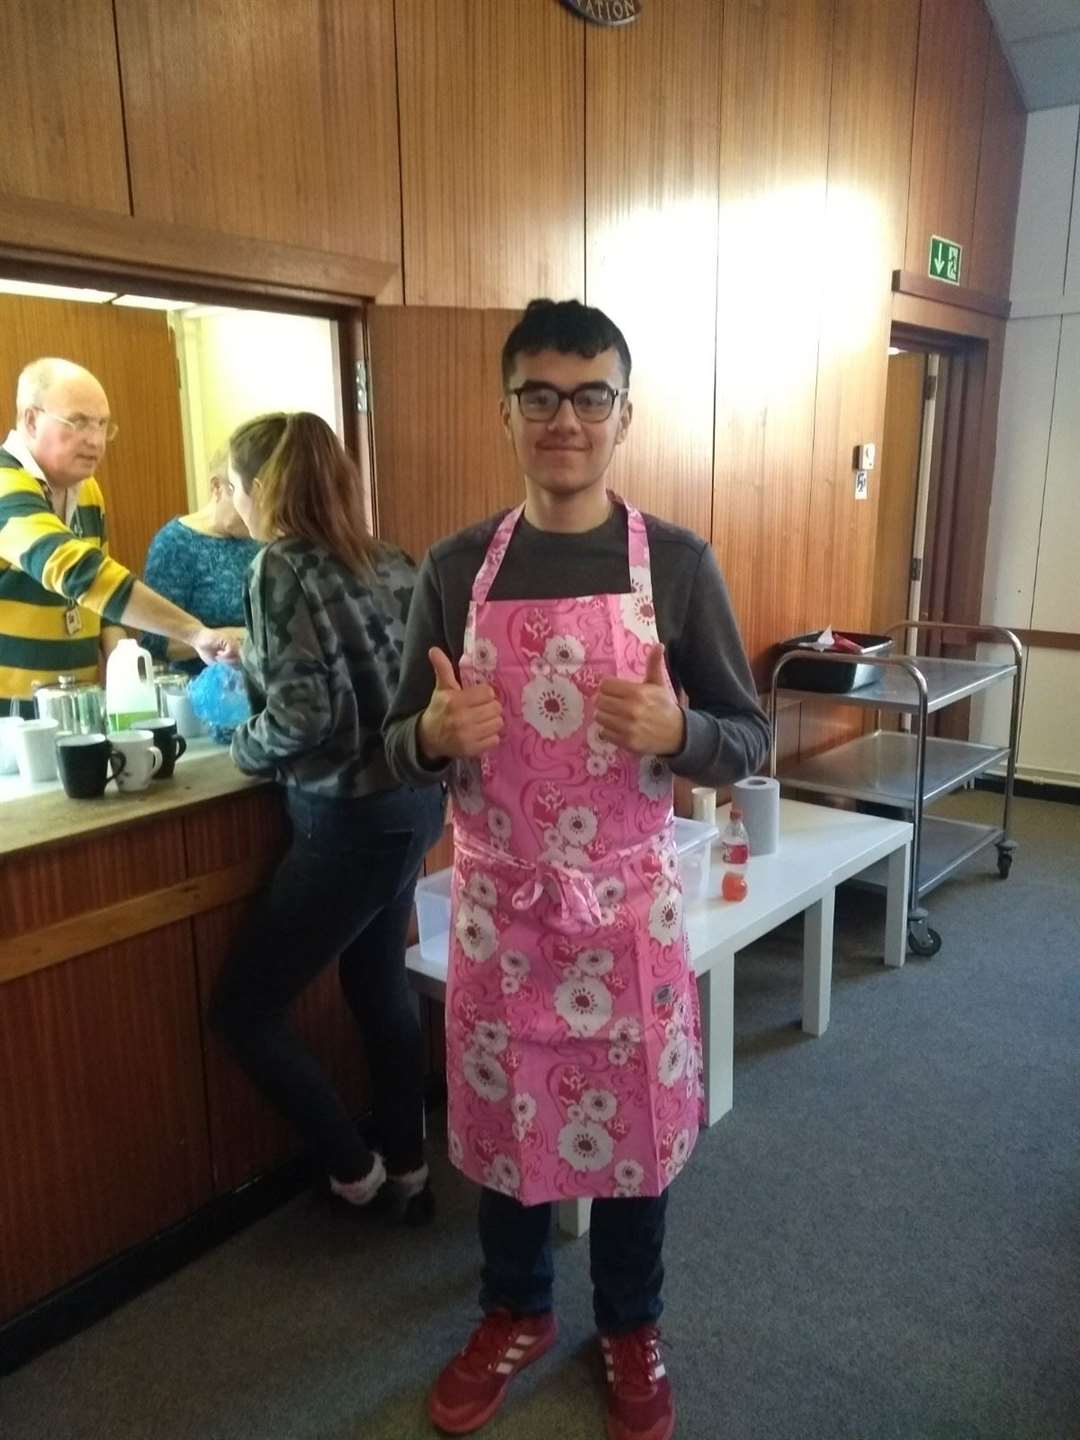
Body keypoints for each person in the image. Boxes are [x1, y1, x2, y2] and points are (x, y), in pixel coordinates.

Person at [383, 300, 771, 1440]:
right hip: (504, 907)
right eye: (541, 395)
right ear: (507, 413)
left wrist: (680, 733)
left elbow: (750, 739)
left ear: (623, 413)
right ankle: (513, 1311)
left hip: (627, 906)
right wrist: (431, 741)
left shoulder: (681, 565)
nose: (567, 418)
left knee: (635, 1127)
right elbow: (392, 741)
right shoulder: (457, 567)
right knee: (509, 1119)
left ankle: (631, 1322)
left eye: (589, 394)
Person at [210, 412, 445, 1219]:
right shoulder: (388, 558)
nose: (235, 504)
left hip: (347, 818)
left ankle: (355, 1169)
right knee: (376, 980)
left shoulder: (279, 565)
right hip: (417, 802)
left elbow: (301, 720)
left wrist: (239, 744)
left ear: (256, 489)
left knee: (244, 1012)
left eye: (234, 488)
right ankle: (411, 1168)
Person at [0, 357, 237, 715]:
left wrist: (124, 678)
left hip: (71, 705)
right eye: (78, 422)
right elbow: (79, 571)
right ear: (31, 420)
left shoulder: (87, 490)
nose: (95, 440)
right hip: (9, 716)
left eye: (103, 425)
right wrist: (194, 632)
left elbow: (101, 602)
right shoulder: (5, 484)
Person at [141, 446, 261, 675]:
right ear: (217, 487)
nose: (254, 511)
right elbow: (156, 640)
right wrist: (236, 637)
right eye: (247, 497)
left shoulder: (259, 539)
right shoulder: (176, 543)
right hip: (200, 692)